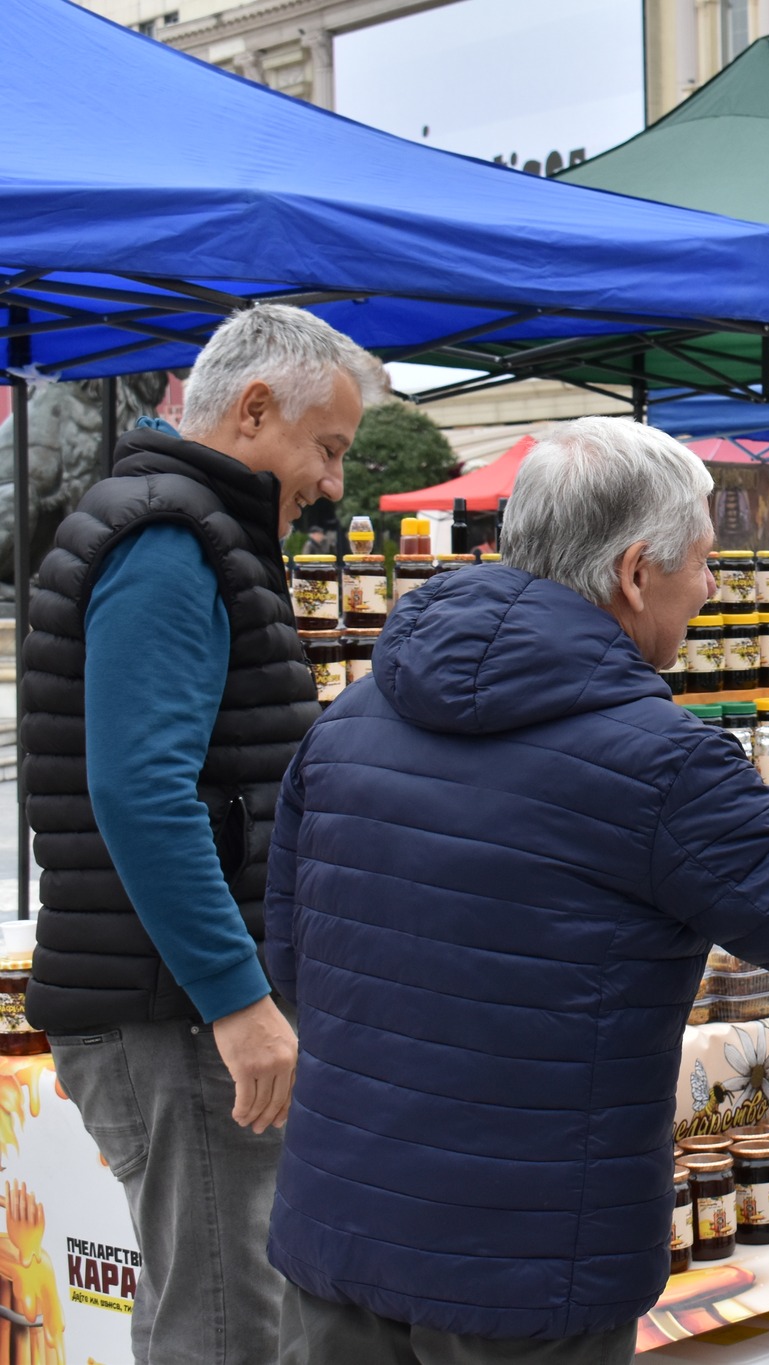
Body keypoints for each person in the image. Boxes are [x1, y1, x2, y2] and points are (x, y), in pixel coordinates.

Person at [265, 417, 769, 1363]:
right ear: (636, 573)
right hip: (524, 1262)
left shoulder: (349, 717)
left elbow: (294, 962)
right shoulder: (663, 764)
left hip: (342, 1223)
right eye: (708, 563)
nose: (713, 590)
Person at [19, 303, 386, 1365]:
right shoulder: (172, 541)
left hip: (177, 1006)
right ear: (255, 411)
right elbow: (141, 792)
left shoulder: (190, 530)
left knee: (237, 1311)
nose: (334, 482)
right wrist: (238, 1000)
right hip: (173, 1015)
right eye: (327, 449)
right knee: (225, 1330)